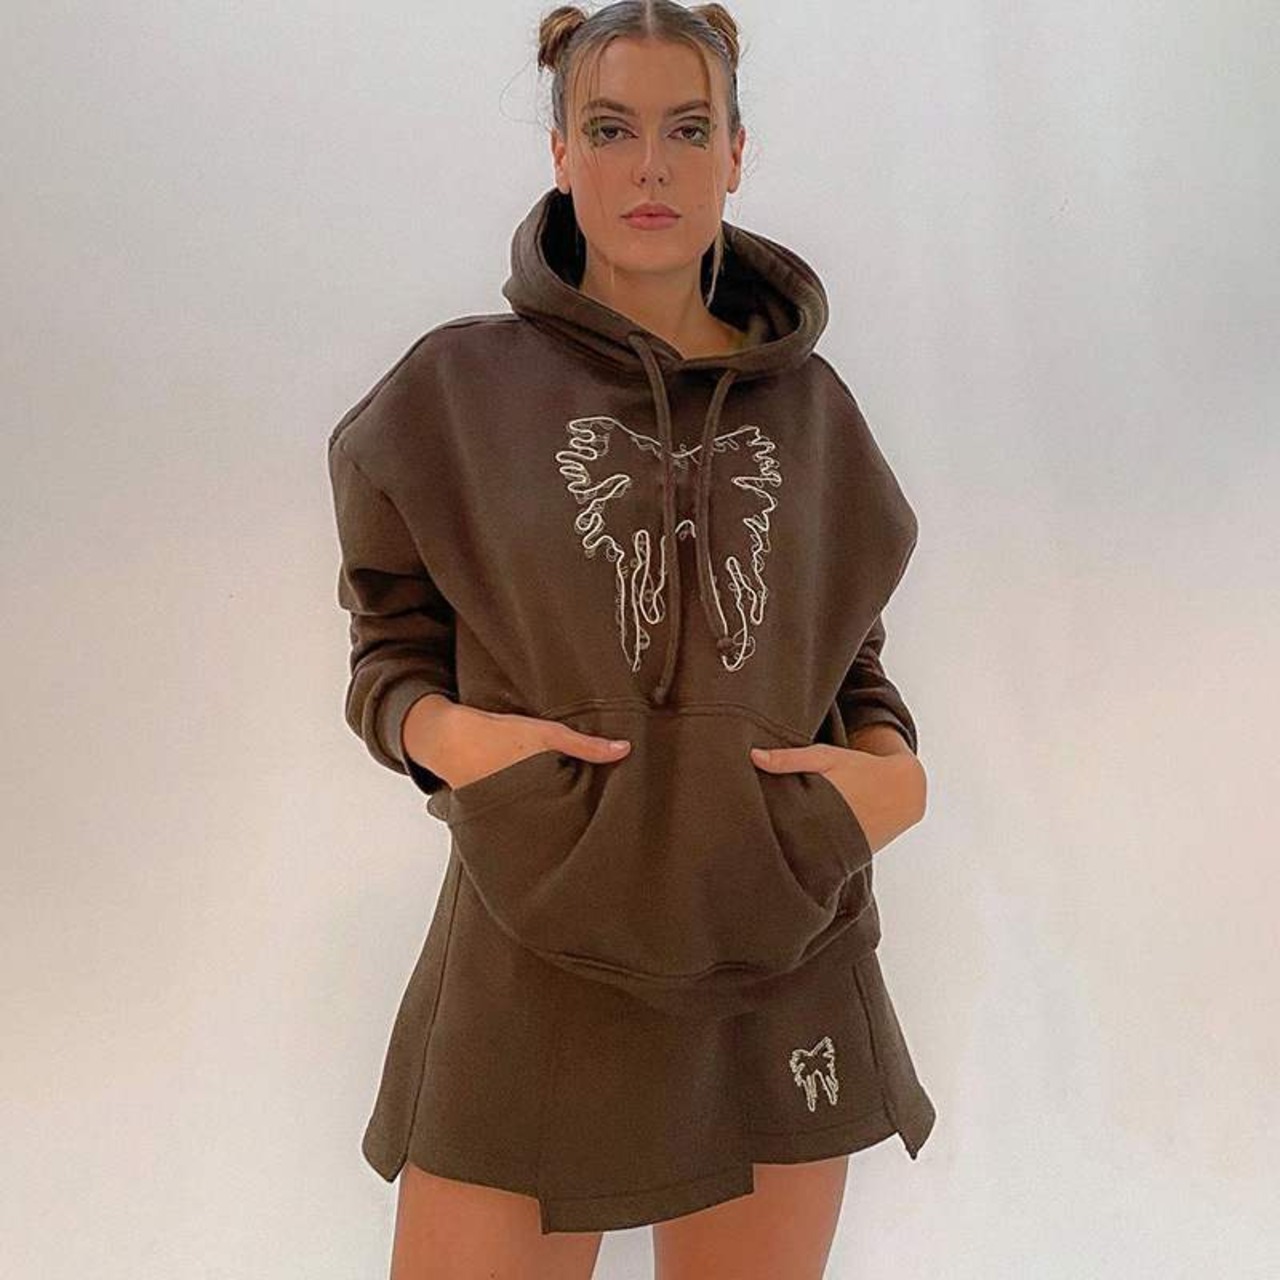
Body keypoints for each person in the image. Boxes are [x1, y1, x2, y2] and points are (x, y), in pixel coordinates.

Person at [325, 3, 936, 1276]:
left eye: (685, 128)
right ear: (559, 151)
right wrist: (449, 739)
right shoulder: (452, 393)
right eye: (609, 129)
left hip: (774, 937)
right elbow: (389, 634)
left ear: (735, 152)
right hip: (534, 944)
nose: (648, 166)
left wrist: (890, 774)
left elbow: (845, 650)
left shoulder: (814, 410)